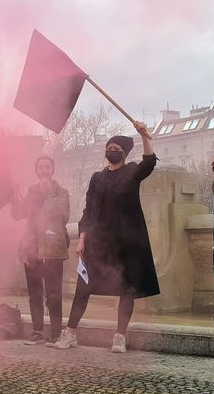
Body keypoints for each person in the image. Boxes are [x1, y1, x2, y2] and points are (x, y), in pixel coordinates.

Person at [55, 122, 158, 353]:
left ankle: (120, 336)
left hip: (127, 243)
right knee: (83, 287)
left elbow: (149, 163)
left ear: (124, 152)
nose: (111, 151)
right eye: (109, 148)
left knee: (126, 289)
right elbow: (89, 211)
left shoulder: (132, 171)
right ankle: (70, 332)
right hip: (99, 243)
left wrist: (144, 136)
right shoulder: (97, 178)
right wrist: (82, 239)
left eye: (116, 148)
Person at [10, 156, 71, 346]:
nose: (44, 171)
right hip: (32, 247)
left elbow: (62, 215)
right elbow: (18, 215)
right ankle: (37, 331)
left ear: (52, 170)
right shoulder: (31, 192)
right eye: (40, 167)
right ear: (36, 171)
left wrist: (48, 193)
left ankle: (55, 332)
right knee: (34, 292)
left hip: (53, 248)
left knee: (54, 292)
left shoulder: (61, 192)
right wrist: (15, 196)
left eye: (47, 167)